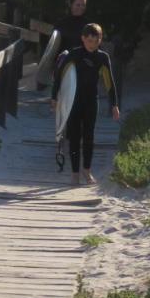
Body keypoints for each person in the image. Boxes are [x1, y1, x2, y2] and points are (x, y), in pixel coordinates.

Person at [51, 23, 120, 186]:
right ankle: (75, 173)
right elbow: (59, 77)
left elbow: (110, 82)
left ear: (100, 40)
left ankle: (87, 171)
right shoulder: (74, 55)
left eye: (95, 41)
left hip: (91, 101)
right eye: (89, 40)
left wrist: (114, 104)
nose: (92, 44)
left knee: (89, 137)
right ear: (83, 39)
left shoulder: (102, 58)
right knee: (74, 137)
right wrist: (54, 98)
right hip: (73, 101)